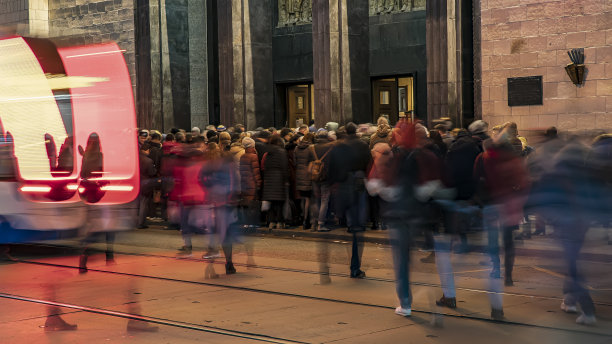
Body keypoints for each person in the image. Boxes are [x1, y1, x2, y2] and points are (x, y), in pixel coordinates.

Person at [327, 122, 371, 278]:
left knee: (346, 226)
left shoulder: (338, 147)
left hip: (341, 188)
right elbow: (368, 163)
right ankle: (355, 266)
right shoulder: (362, 144)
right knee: (358, 230)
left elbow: (331, 170)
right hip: (358, 186)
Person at [261, 135, 289, 230]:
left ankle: (271, 222)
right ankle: (279, 222)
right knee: (279, 203)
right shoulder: (282, 152)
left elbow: (265, 167)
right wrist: (286, 180)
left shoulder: (268, 153)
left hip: (269, 179)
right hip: (278, 179)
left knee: (271, 203)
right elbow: (284, 167)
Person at [294, 133, 316, 229]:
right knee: (308, 199)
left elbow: (295, 163)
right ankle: (307, 220)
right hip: (308, 175)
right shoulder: (311, 148)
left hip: (299, 175)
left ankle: (303, 218)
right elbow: (314, 161)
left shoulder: (296, 148)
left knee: (303, 198)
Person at [239, 137, 262, 228]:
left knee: (246, 203)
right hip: (252, 183)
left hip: (245, 183)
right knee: (253, 204)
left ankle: (246, 223)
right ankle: (253, 222)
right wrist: (259, 183)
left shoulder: (242, 156)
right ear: (252, 146)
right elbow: (256, 172)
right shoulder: (254, 156)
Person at [137, 143, 157, 229]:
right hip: (145, 184)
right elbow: (152, 172)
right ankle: (141, 223)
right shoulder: (148, 161)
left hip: (136, 183)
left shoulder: (135, 159)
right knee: (143, 204)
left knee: (137, 204)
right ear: (147, 150)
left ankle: (136, 221)